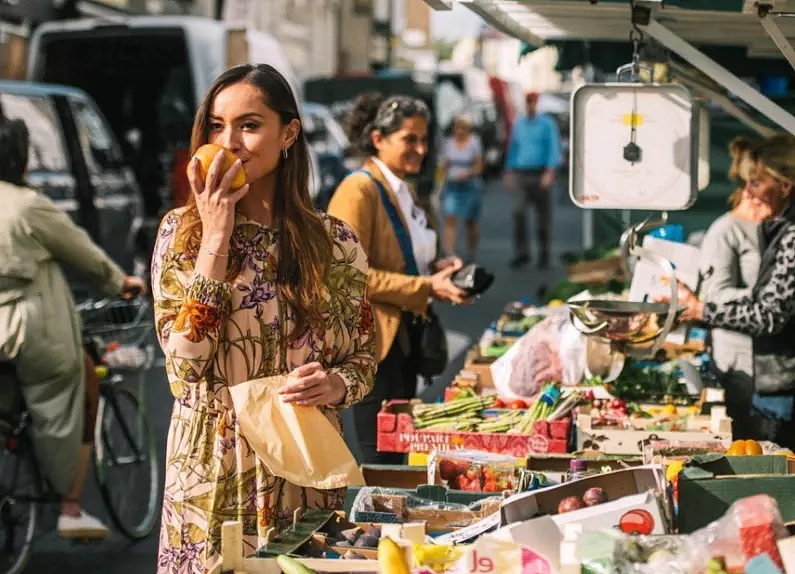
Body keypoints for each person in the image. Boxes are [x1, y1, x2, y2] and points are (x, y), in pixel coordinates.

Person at [150, 64, 376, 572]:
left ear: (289, 133)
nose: (229, 141)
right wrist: (216, 238)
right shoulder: (181, 235)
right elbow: (184, 367)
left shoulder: (336, 243)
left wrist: (336, 385)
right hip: (214, 467)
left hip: (306, 467)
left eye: (249, 125)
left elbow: (363, 356)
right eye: (215, 126)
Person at [0, 117, 146, 538]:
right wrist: (122, 283)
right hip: (27, 333)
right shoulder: (28, 206)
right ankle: (69, 507)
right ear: (22, 161)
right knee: (82, 384)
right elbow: (84, 254)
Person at [328, 93, 469, 465]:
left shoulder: (405, 191)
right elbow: (346, 277)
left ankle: (394, 525)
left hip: (405, 343)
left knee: (399, 459)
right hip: (373, 348)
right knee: (382, 464)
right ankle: (378, 526)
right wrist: (426, 287)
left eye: (424, 140)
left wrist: (438, 267)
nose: (420, 149)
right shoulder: (357, 189)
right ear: (378, 139)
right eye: (409, 139)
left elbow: (404, 257)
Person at [662, 134, 795, 450]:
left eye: (757, 183)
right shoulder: (778, 229)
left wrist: (702, 311)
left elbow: (769, 315)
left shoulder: (791, 236)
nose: (748, 192)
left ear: (785, 186)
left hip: (782, 380)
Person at [698, 136, 767, 437]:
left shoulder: (775, 227)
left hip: (775, 366)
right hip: (744, 370)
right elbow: (716, 297)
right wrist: (771, 297)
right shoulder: (726, 232)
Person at [503, 91, 562, 269]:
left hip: (540, 172)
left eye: (533, 102)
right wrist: (509, 170)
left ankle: (544, 254)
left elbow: (554, 147)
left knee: (543, 217)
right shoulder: (519, 123)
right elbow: (513, 147)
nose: (530, 105)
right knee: (519, 214)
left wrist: (550, 172)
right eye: (528, 102)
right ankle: (522, 253)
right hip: (522, 173)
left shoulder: (547, 124)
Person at [441, 115, 484, 263]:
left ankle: (471, 251)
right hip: (452, 185)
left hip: (470, 185)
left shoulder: (474, 142)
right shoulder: (448, 143)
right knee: (450, 217)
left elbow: (479, 166)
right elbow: (445, 165)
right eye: (456, 127)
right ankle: (449, 252)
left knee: (470, 221)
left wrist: (468, 173)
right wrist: (440, 184)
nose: (459, 131)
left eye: (462, 128)